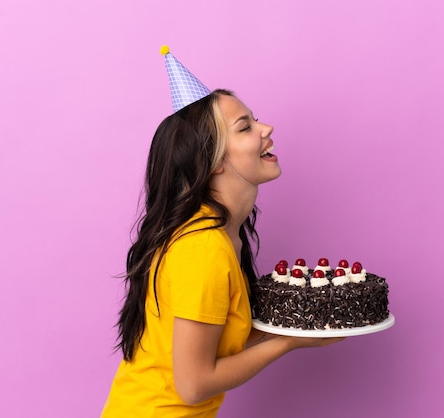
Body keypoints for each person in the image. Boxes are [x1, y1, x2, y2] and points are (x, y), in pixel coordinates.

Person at [100, 48, 344, 418]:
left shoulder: (219, 235)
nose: (266, 129)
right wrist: (286, 343)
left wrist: (305, 323)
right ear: (211, 162)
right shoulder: (203, 248)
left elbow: (219, 342)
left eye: (255, 120)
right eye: (245, 127)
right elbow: (194, 384)